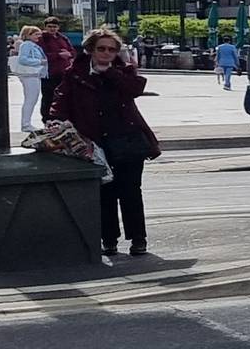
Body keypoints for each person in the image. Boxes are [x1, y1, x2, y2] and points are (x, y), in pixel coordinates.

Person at [53, 28, 158, 257]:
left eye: (112, 49)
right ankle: (109, 239)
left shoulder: (123, 72)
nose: (106, 53)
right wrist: (55, 120)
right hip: (95, 143)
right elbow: (60, 99)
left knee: (131, 191)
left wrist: (110, 73)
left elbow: (135, 89)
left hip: (127, 141)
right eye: (101, 48)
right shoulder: (76, 73)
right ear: (90, 49)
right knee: (104, 193)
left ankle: (138, 239)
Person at [13, 27, 48, 126]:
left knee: (32, 99)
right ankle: (26, 123)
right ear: (28, 35)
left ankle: (26, 123)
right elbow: (22, 59)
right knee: (31, 99)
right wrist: (39, 61)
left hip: (34, 75)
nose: (39, 36)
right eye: (36, 34)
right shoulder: (27, 45)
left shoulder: (31, 45)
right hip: (30, 75)